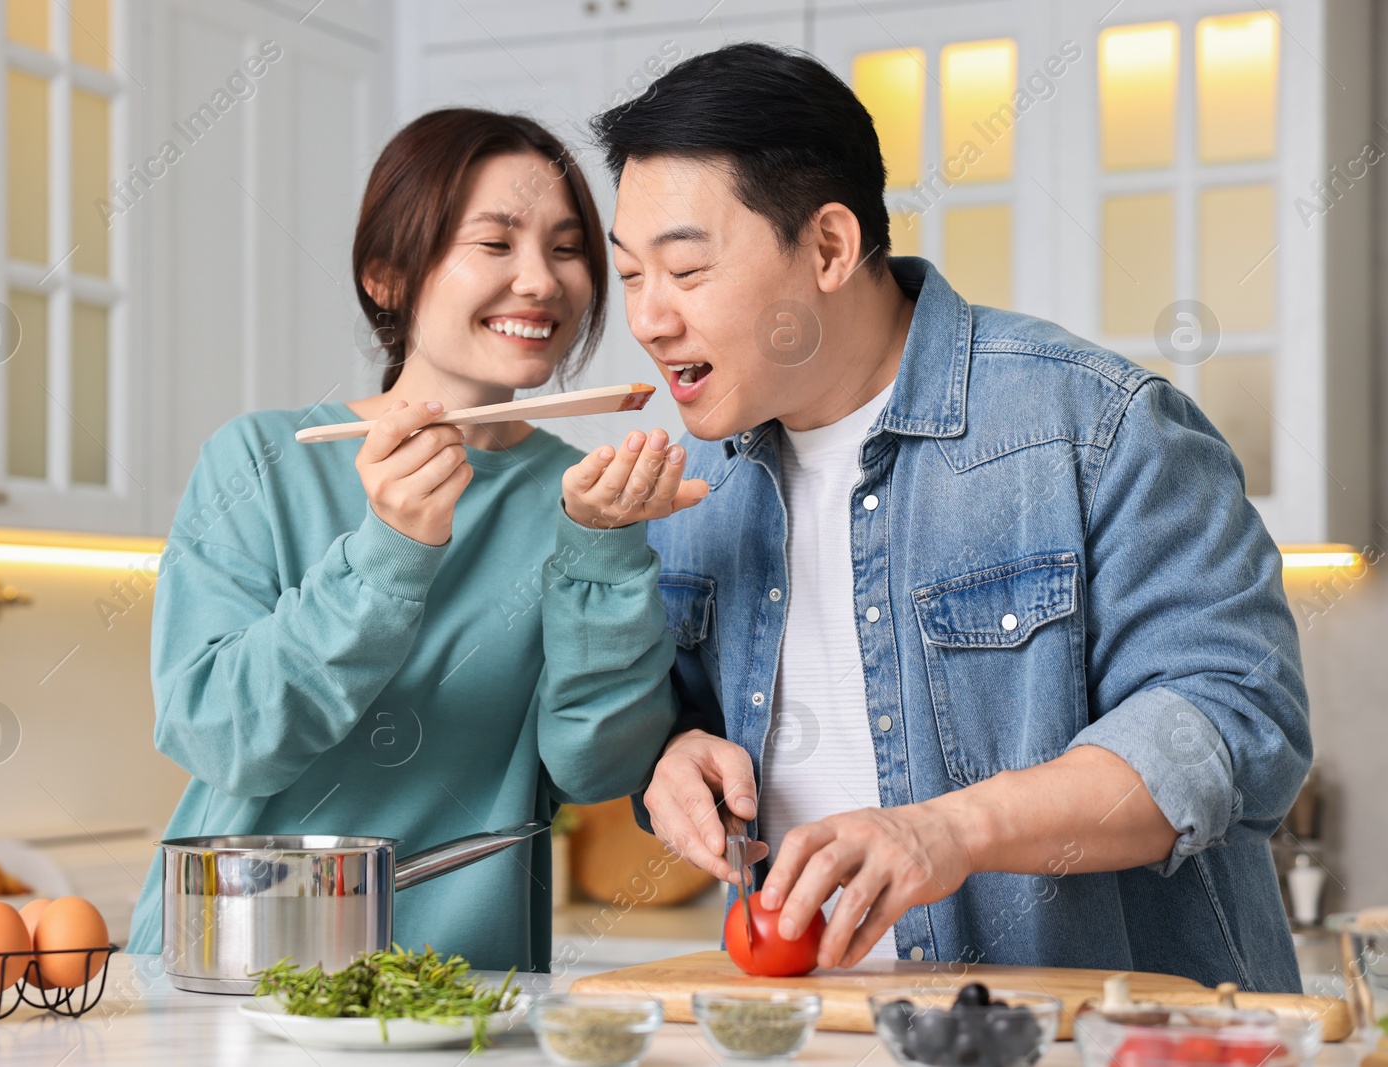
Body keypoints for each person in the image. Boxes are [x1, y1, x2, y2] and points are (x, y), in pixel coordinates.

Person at [566, 42, 1311, 990]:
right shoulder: (690, 484)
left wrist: (949, 829)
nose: (649, 318)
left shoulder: (1095, 426)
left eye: (685, 270)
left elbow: (1233, 720)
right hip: (823, 1038)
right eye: (632, 277)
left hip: (1104, 1043)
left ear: (830, 247)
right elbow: (665, 719)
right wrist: (670, 757)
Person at [126, 108, 696, 971]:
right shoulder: (260, 460)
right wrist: (386, 556)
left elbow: (596, 768)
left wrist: (604, 552)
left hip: (460, 994)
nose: (540, 280)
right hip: (229, 978)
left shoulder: (591, 495)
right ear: (389, 277)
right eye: (496, 244)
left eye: (568, 247)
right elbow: (215, 733)